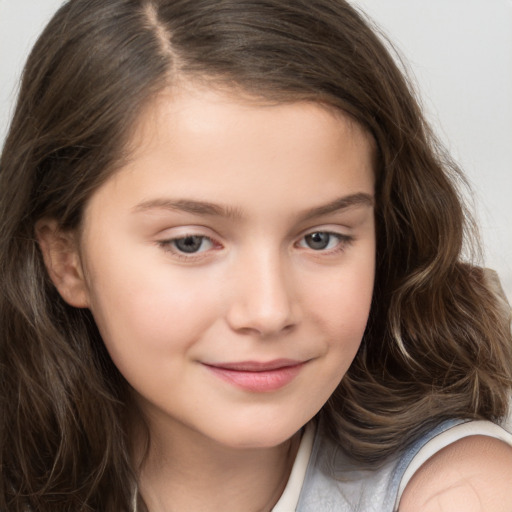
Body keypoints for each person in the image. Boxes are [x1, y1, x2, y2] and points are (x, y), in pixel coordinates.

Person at [1, 0, 511, 510]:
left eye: (321, 238)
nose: (268, 311)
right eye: (190, 242)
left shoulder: (464, 492)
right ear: (67, 261)